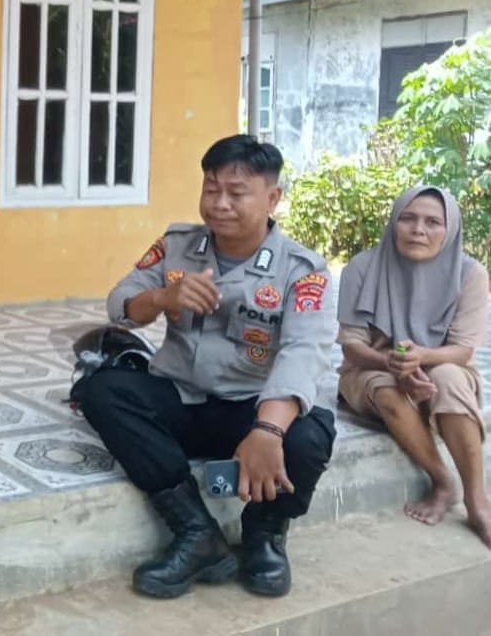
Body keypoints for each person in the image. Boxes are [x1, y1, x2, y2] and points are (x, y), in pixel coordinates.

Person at [72, 135, 337, 599]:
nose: (220, 204)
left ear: (272, 198)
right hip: (184, 398)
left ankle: (265, 535)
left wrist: (268, 431)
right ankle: (197, 533)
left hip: (252, 409)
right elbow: (119, 304)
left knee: (310, 435)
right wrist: (162, 297)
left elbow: (303, 353)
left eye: (236, 193)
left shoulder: (302, 271)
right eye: (211, 189)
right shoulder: (177, 246)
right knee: (103, 391)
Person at [337, 186, 491, 546]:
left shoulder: (470, 274)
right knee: (386, 388)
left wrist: (421, 358)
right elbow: (352, 346)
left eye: (433, 222)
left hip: (440, 365)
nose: (418, 229)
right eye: (408, 218)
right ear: (394, 222)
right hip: (371, 367)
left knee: (450, 378)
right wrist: (391, 362)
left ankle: (477, 500)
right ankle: (442, 481)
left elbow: (462, 351)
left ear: (449, 230)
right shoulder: (361, 268)